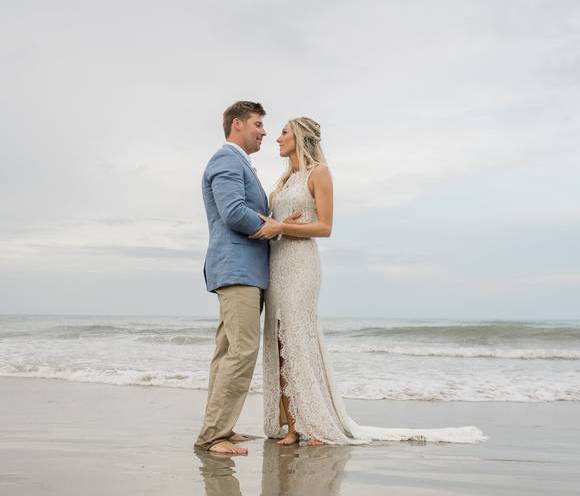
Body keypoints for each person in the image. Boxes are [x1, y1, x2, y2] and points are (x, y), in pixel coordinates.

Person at [250, 117, 487, 445]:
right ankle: (293, 426)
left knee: (299, 342)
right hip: (277, 263)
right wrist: (276, 226)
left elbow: (325, 227)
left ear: (300, 137)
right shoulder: (285, 178)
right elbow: (277, 224)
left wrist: (282, 228)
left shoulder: (319, 173)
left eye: (284, 133)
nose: (277, 139)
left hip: (301, 266)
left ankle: (317, 424)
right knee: (279, 343)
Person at [194, 101, 293, 455]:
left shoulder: (240, 164)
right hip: (237, 269)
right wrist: (276, 229)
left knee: (227, 353)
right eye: (258, 124)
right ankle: (212, 437)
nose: (264, 131)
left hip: (245, 269)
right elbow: (234, 212)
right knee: (242, 350)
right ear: (237, 125)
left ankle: (220, 428)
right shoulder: (225, 160)